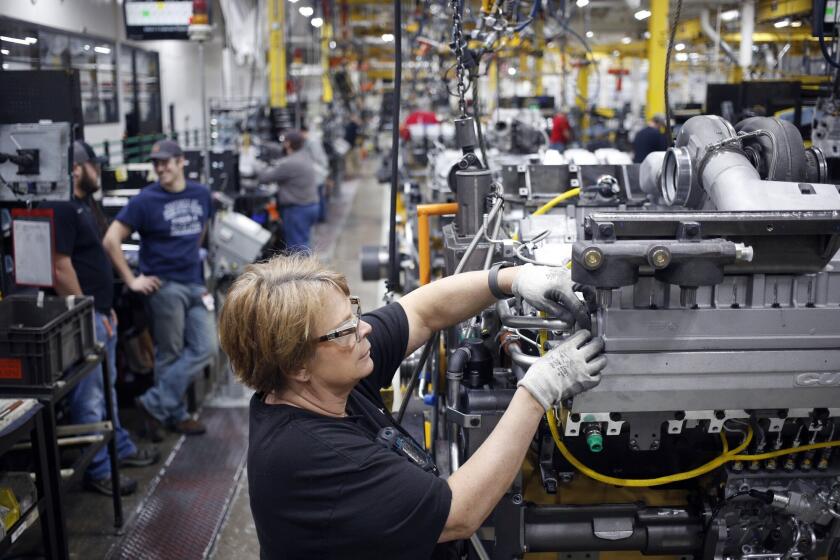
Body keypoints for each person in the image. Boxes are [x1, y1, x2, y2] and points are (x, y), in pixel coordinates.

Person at [218, 255, 606, 559]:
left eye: (353, 313)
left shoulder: (323, 380)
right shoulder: (311, 457)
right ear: (295, 364)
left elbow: (421, 311)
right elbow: (458, 515)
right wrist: (538, 389)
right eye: (345, 329)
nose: (364, 327)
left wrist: (511, 279)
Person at [45, 141, 160, 496]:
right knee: (90, 395)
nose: (99, 171)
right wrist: (86, 313)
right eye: (94, 165)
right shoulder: (62, 207)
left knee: (106, 387)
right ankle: (99, 469)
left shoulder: (84, 204)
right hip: (85, 316)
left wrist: (106, 307)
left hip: (99, 312)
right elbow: (59, 266)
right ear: (76, 169)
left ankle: (119, 449)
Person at [103, 139, 217, 441]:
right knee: (169, 353)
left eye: (166, 161)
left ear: (181, 162)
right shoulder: (145, 200)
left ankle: (154, 404)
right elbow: (111, 240)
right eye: (156, 163)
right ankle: (175, 415)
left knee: (207, 347)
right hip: (164, 287)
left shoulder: (201, 193)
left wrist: (191, 257)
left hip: (195, 282)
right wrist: (131, 280)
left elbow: (202, 229)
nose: (161, 167)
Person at [256, 130, 320, 251]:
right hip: (311, 206)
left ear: (288, 143)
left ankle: (301, 270)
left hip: (298, 210)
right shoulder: (305, 155)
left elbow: (264, 177)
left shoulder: (289, 163)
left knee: (297, 249)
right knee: (304, 243)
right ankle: (308, 268)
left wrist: (256, 165)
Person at [300, 125, 330, 223]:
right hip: (318, 172)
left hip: (317, 172)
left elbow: (316, 158)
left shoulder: (312, 142)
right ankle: (321, 216)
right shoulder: (311, 140)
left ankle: (321, 216)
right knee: (319, 195)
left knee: (318, 195)